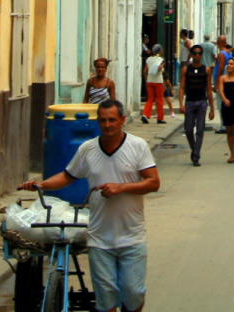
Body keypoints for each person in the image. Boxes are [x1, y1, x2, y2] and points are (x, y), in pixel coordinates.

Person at [20, 99, 159, 312]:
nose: (108, 124)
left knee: (133, 292)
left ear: (122, 120)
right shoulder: (87, 149)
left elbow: (153, 183)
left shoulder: (137, 146)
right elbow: (67, 176)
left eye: (112, 120)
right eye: (103, 120)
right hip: (99, 238)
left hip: (132, 236)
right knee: (106, 298)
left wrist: (121, 188)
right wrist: (41, 184)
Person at [179, 45, 215, 166]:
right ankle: (194, 148)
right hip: (189, 102)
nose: (197, 55)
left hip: (201, 103)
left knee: (200, 130)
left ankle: (196, 156)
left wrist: (212, 108)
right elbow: (182, 87)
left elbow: (209, 89)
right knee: (188, 129)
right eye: (195, 53)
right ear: (191, 54)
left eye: (199, 53)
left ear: (202, 55)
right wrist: (181, 103)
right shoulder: (186, 69)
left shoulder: (206, 70)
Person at [142, 45, 166, 124]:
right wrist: (162, 66)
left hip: (149, 81)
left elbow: (145, 71)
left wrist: (147, 79)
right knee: (159, 100)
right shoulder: (160, 59)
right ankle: (160, 118)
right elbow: (159, 69)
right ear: (159, 51)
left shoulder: (148, 59)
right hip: (158, 81)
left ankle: (145, 114)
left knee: (150, 99)